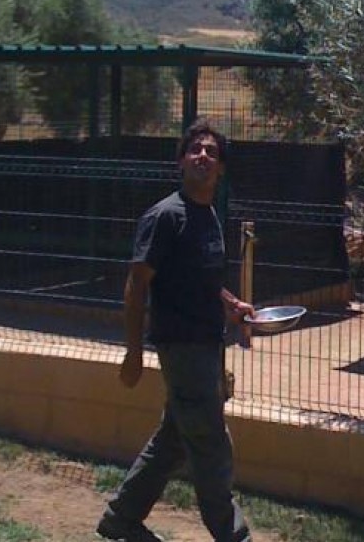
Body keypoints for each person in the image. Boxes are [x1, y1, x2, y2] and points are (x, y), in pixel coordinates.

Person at [97, 118, 254, 542]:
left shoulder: (209, 215)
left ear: (221, 168)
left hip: (209, 345)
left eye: (211, 152)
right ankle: (233, 534)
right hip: (182, 347)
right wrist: (133, 353)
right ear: (181, 162)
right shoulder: (166, 216)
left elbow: (200, 279)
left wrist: (231, 306)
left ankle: (121, 519)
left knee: (176, 439)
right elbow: (137, 285)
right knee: (210, 443)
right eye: (195, 150)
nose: (203, 156)